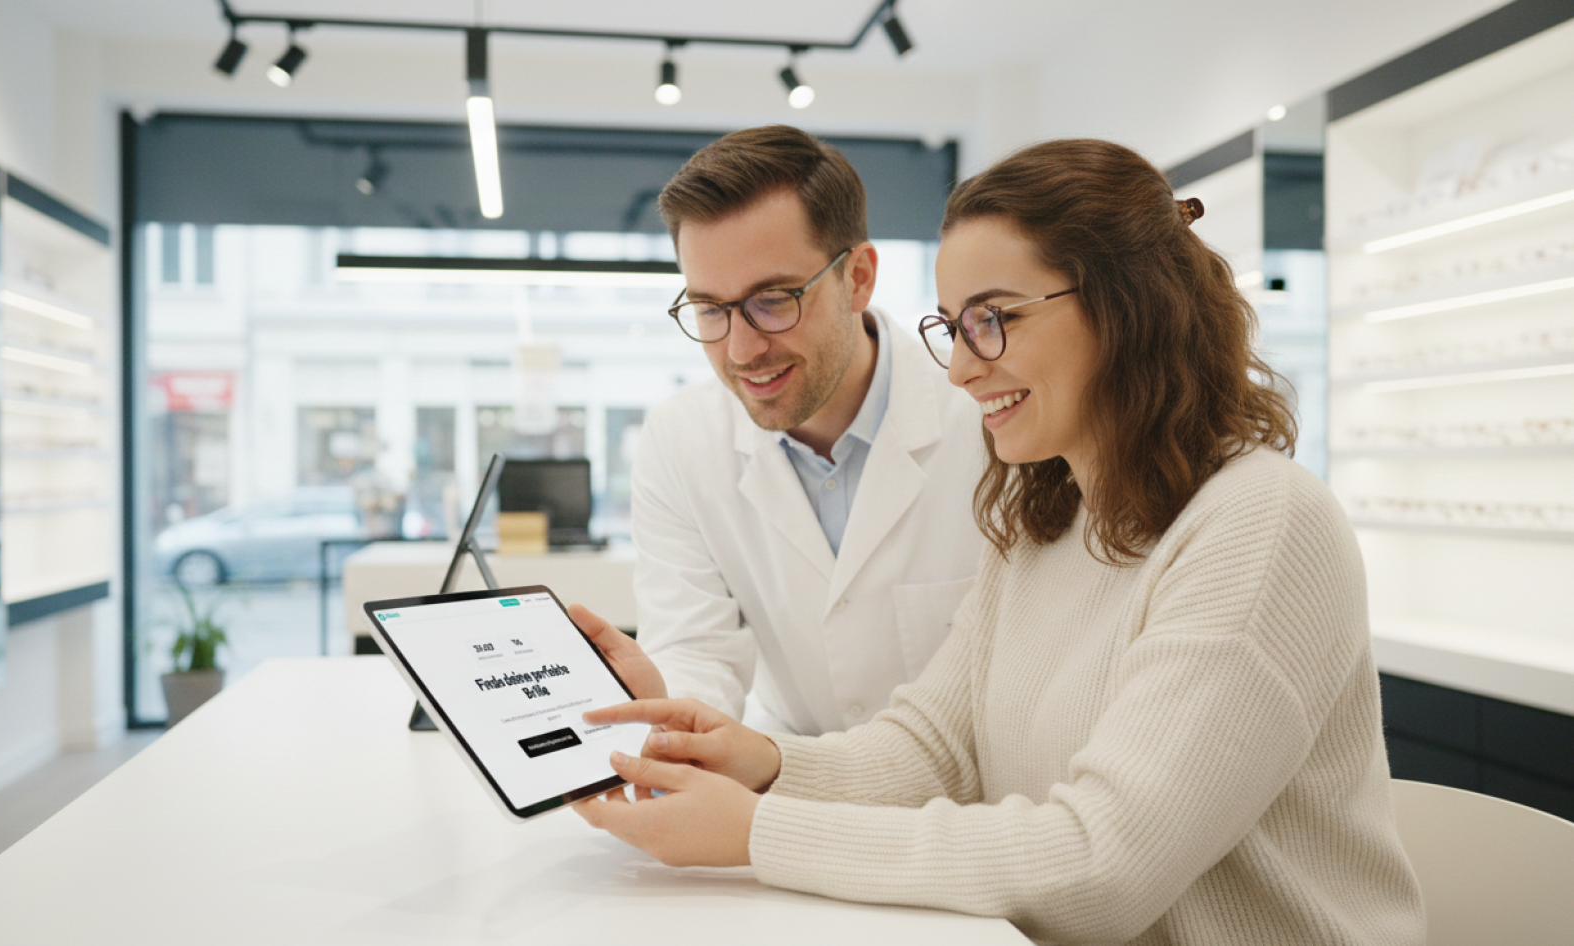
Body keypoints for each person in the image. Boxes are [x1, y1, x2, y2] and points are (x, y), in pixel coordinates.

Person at [573, 139, 1426, 945]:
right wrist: (759, 762)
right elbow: (933, 748)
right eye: (952, 326)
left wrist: (761, 830)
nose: (959, 369)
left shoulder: (1258, 524)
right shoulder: (1042, 525)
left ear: (1125, 310)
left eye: (993, 319)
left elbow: (1104, 865)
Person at [570, 125, 983, 736]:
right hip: (796, 786)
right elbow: (697, 650)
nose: (740, 350)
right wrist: (671, 713)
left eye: (774, 299)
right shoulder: (680, 439)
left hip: (977, 808)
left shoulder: (983, 414)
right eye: (710, 308)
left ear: (859, 278)